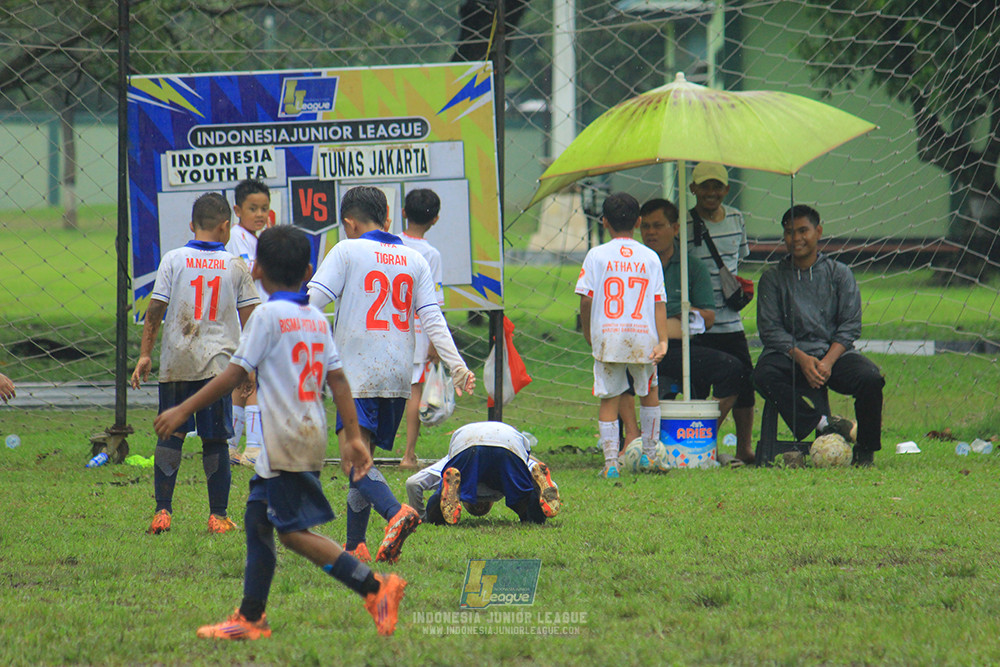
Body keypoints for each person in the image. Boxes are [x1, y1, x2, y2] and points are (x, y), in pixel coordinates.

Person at [153, 224, 406, 639]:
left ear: (256, 270)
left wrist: (183, 408)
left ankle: (375, 587)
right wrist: (353, 437)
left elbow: (233, 374)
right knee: (257, 519)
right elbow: (339, 381)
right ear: (308, 272)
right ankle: (251, 617)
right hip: (305, 432)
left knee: (291, 534)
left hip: (285, 438)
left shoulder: (267, 316)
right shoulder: (316, 319)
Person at [307, 185, 475, 563]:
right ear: (387, 218)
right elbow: (432, 318)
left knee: (353, 459)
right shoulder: (414, 259)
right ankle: (355, 544)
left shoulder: (346, 250)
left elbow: (313, 301)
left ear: (349, 223)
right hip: (398, 376)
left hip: (356, 374)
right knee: (363, 455)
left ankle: (396, 512)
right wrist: (457, 366)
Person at [131, 192, 260, 535]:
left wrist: (146, 354)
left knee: (171, 433)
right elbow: (251, 321)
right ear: (225, 227)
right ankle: (218, 516)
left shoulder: (173, 259)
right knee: (215, 440)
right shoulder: (236, 265)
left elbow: (154, 310)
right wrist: (250, 367)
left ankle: (162, 511)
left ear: (192, 225)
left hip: (176, 361)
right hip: (218, 368)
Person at [753, 205, 885, 466]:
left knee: (870, 378)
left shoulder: (840, 273)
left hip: (833, 354)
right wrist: (802, 359)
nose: (796, 238)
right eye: (790, 232)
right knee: (761, 375)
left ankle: (865, 449)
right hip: (788, 355)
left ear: (819, 232)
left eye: (803, 231)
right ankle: (823, 424)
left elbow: (850, 326)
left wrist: (827, 362)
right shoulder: (772, 278)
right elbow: (770, 330)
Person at [618, 199, 749, 455]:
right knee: (616, 369)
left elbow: (708, 317)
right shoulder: (630, 266)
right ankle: (632, 440)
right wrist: (668, 323)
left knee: (734, 369)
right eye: (646, 227)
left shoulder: (692, 267)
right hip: (637, 348)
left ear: (676, 228)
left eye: (658, 226)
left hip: (681, 349)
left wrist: (681, 316)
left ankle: (698, 435)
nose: (651, 232)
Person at [575, 192, 669, 478]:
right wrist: (663, 340)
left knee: (609, 398)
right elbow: (659, 301)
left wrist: (589, 331)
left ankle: (611, 465)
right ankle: (650, 456)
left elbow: (586, 299)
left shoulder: (596, 255)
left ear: (604, 222)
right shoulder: (650, 257)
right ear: (639, 222)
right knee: (649, 394)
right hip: (644, 338)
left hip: (609, 337)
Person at [686, 162, 757, 463]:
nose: (711, 192)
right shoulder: (683, 224)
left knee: (746, 386)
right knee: (698, 387)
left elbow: (738, 260)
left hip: (731, 322)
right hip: (698, 323)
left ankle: (744, 448)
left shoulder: (737, 219)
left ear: (727, 189)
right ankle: (700, 444)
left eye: (717, 186)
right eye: (705, 186)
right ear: (693, 189)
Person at [404, 421, 560, 524]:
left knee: (439, 505)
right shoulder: (534, 468)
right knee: (524, 498)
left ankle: (440, 506)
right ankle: (532, 510)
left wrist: (422, 519)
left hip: (467, 444)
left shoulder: (450, 465)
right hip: (508, 443)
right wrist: (542, 485)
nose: (479, 507)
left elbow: (413, 483)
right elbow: (550, 484)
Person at [225, 179, 272, 468]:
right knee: (250, 381)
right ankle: (249, 446)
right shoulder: (235, 238)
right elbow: (241, 276)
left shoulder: (260, 239)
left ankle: (235, 445)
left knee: (248, 381)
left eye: (264, 209)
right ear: (237, 210)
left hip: (260, 319)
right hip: (245, 320)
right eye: (253, 208)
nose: (259, 214)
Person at [398, 188, 446, 470]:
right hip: (417, 330)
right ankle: (408, 455)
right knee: (414, 391)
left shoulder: (392, 245)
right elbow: (435, 304)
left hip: (389, 327)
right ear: (435, 219)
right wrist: (436, 343)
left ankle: (367, 447)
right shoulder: (431, 255)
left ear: (404, 212)